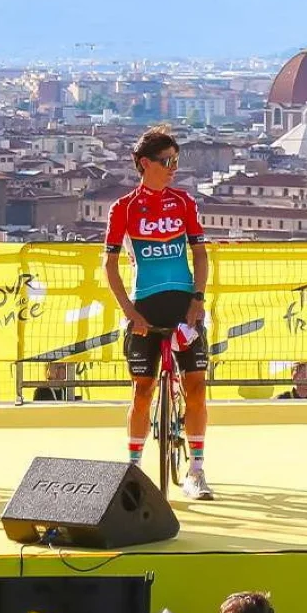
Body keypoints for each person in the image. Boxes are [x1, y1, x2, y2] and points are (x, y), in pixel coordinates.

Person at [103, 127, 213, 499]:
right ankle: (131, 471)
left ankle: (196, 470)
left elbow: (199, 253)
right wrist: (129, 311)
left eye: (176, 162)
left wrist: (198, 299)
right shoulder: (124, 209)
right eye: (167, 162)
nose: (173, 169)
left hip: (184, 304)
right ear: (144, 164)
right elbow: (110, 265)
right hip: (144, 308)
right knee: (142, 390)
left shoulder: (184, 203)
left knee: (197, 386)